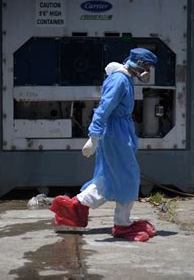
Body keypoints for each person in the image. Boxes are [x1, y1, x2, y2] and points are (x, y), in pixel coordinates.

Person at [50, 48, 158, 242]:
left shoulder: (125, 78)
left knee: (109, 176)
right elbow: (104, 108)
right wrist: (94, 136)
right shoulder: (120, 80)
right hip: (115, 134)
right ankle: (122, 225)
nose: (149, 71)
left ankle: (76, 206)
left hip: (119, 131)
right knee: (128, 177)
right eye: (148, 66)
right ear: (140, 64)